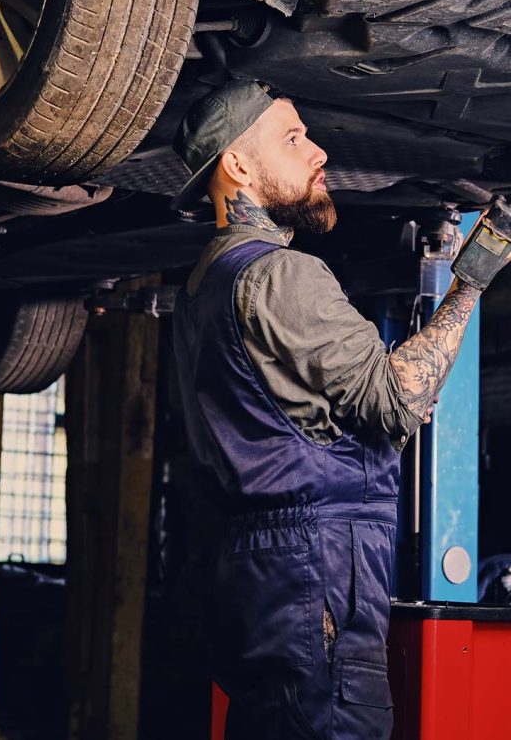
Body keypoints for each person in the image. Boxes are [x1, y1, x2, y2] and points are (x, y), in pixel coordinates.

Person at [170, 79, 484, 740]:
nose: (320, 153)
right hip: (317, 576)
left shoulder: (203, 286)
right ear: (238, 167)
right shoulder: (281, 274)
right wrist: (475, 276)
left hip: (261, 580)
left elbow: (285, 427)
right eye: (293, 139)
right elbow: (400, 398)